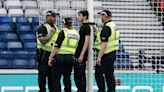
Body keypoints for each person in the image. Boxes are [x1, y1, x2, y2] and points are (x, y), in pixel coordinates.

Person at [48, 17, 80, 92]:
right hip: (71, 58)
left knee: (56, 78)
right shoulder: (76, 33)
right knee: (67, 78)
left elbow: (56, 46)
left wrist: (50, 57)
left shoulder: (63, 32)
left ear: (64, 23)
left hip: (60, 57)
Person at [93, 10, 120, 92]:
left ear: (107, 16)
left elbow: (104, 43)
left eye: (102, 15)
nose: (101, 17)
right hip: (112, 53)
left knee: (98, 73)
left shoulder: (106, 27)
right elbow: (102, 36)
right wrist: (96, 29)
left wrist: (99, 58)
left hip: (105, 54)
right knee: (109, 74)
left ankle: (101, 90)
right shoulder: (113, 25)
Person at [37, 10, 59, 92]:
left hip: (53, 55)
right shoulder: (42, 27)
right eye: (53, 16)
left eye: (55, 17)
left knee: (52, 76)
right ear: (48, 17)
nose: (55, 18)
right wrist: (51, 34)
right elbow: (42, 41)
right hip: (44, 54)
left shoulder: (56, 28)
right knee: (42, 75)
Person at [74, 10, 91, 92]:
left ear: (85, 16)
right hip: (78, 54)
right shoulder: (82, 27)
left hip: (82, 55)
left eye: (80, 15)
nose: (78, 17)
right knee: (76, 76)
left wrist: (82, 54)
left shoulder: (87, 27)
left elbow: (87, 41)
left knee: (80, 76)